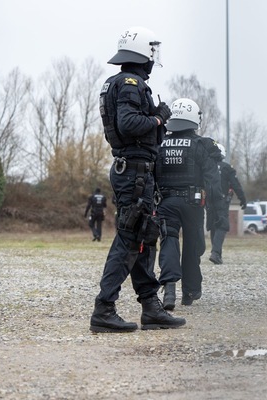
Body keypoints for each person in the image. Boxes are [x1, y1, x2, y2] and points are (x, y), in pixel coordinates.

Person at [90, 26, 185, 333]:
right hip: (134, 171)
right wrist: (159, 117)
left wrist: (154, 119)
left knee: (143, 235)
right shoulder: (131, 83)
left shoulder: (115, 83)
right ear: (143, 55)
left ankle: (151, 306)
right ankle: (104, 307)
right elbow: (129, 123)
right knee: (131, 237)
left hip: (132, 169)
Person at [155, 98, 223, 311]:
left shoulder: (159, 142)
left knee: (168, 241)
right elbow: (213, 181)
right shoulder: (202, 145)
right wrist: (216, 210)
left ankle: (169, 290)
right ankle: (190, 292)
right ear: (195, 119)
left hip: (165, 201)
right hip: (193, 204)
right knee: (194, 246)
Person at [207, 143, 247, 265]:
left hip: (208, 201)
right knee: (222, 225)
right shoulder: (226, 167)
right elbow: (236, 185)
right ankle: (216, 253)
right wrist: (242, 199)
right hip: (222, 200)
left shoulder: (206, 167)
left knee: (214, 225)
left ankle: (216, 254)